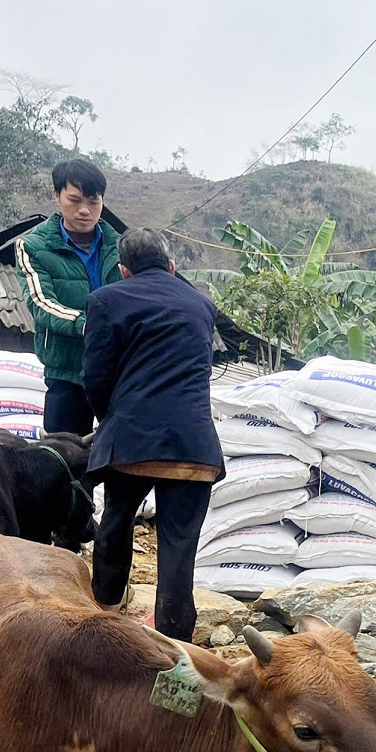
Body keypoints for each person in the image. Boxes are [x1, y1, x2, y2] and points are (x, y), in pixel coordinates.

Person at [82, 228, 223, 644]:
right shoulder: (202, 304)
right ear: (172, 266)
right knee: (179, 547)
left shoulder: (105, 300)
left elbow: (95, 377)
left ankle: (104, 618)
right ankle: (174, 644)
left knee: (116, 522)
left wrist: (112, 421)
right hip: (195, 445)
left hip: (133, 442)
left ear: (124, 270)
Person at [17, 159, 121, 437]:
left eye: (93, 202)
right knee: (63, 453)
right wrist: (86, 325)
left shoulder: (121, 245)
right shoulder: (33, 246)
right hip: (66, 371)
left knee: (124, 453)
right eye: (75, 200)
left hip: (118, 371)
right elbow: (41, 303)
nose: (85, 210)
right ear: (57, 196)